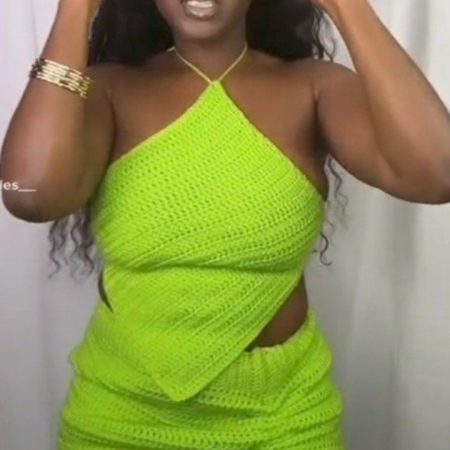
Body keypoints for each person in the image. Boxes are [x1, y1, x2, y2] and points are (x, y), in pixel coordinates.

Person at [2, 0, 450, 448]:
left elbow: (436, 174)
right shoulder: (109, 90)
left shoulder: (314, 86)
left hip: (282, 418)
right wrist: (76, 10)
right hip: (118, 414)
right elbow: (27, 191)